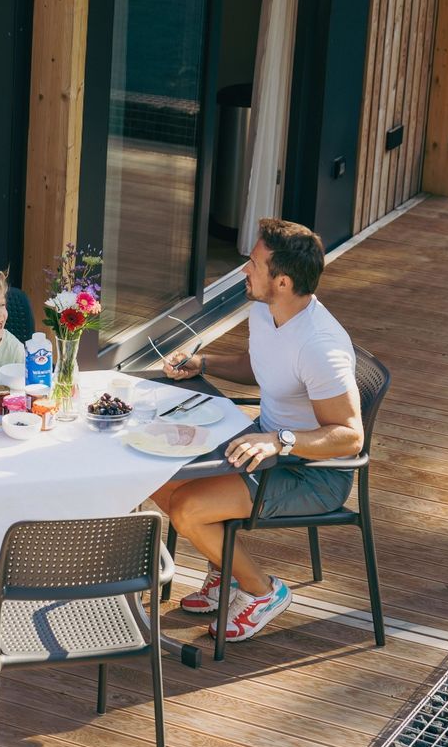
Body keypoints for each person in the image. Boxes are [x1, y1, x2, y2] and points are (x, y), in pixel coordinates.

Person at [152, 218, 364, 642]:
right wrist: (205, 363)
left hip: (313, 473)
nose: (244, 271)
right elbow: (261, 366)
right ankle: (226, 574)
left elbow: (350, 435)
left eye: (253, 263)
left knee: (188, 509)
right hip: (261, 446)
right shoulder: (266, 312)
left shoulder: (321, 348)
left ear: (282, 281)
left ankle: (263, 591)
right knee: (155, 475)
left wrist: (279, 441)